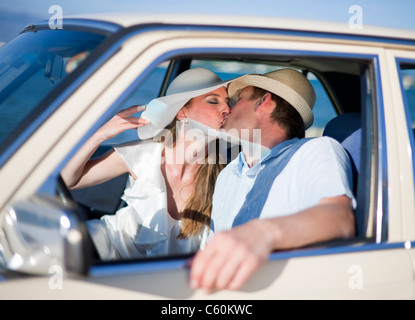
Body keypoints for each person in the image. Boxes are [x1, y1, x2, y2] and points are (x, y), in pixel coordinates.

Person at [189, 68, 356, 292]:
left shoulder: (314, 151)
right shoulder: (227, 174)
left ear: (263, 102)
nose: (227, 109)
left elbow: (339, 219)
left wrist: (263, 233)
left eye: (238, 100)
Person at [61, 68, 233, 260]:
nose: (227, 109)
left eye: (227, 102)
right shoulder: (144, 154)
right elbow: (68, 181)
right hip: (102, 257)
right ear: (183, 112)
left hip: (166, 280)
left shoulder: (227, 172)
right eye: (213, 101)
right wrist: (100, 135)